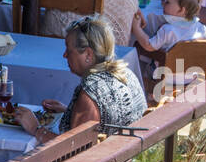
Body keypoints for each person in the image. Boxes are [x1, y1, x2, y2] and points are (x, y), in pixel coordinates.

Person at [14, 16, 147, 142]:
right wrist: (69, 111)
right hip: (127, 157)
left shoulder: (92, 92)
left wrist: (35, 129)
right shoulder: (126, 73)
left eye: (69, 49)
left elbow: (73, 150)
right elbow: (106, 120)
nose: (64, 55)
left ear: (88, 54)